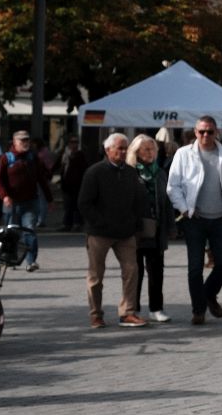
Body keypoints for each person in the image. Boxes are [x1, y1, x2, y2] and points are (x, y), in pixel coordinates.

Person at [167, 115, 222, 325]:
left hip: (221, 218)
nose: (205, 135)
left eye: (209, 131)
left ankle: (208, 294)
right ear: (195, 133)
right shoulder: (184, 154)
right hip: (195, 218)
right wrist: (185, 209)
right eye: (201, 131)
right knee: (195, 267)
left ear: (216, 132)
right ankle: (198, 309)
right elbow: (173, 186)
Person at [79, 132, 149, 329]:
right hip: (99, 233)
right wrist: (99, 223)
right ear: (107, 149)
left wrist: (135, 224)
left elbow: (138, 200)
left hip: (125, 233)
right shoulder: (94, 172)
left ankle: (127, 312)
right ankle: (96, 315)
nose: (123, 151)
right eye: (119, 148)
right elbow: (84, 203)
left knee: (131, 271)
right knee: (95, 276)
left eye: (125, 148)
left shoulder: (130, 172)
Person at [126, 135, 173, 322]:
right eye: (146, 149)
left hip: (157, 229)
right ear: (136, 152)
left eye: (152, 149)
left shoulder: (160, 173)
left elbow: (167, 201)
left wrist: (171, 225)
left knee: (157, 271)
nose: (150, 153)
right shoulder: (130, 173)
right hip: (135, 230)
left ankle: (156, 308)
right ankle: (133, 308)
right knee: (135, 271)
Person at [0, 130, 51, 272]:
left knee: (29, 231)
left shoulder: (33, 158)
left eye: (27, 140)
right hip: (11, 203)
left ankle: (31, 261)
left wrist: (49, 199)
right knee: (11, 233)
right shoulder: (6, 158)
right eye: (22, 140)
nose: (25, 143)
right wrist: (4, 196)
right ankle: (10, 259)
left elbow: (41, 178)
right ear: (14, 142)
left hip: (30, 202)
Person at [58, 135, 88, 231]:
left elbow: (84, 169)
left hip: (78, 185)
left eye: (76, 142)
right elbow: (58, 165)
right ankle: (67, 224)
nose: (74, 144)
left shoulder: (80, 155)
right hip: (66, 185)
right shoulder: (64, 154)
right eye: (72, 142)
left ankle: (77, 224)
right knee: (68, 206)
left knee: (77, 206)